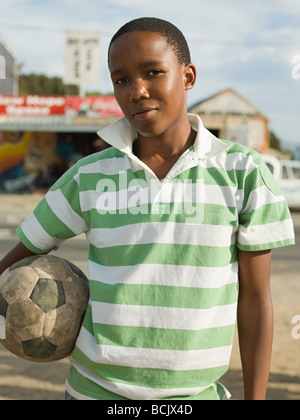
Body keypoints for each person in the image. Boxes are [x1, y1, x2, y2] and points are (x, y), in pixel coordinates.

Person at [0, 17, 295, 400]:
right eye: (121, 79)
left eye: (153, 72)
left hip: (195, 396)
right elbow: (23, 253)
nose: (137, 90)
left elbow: (255, 300)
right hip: (94, 392)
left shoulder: (243, 174)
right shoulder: (89, 175)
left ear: (188, 76)